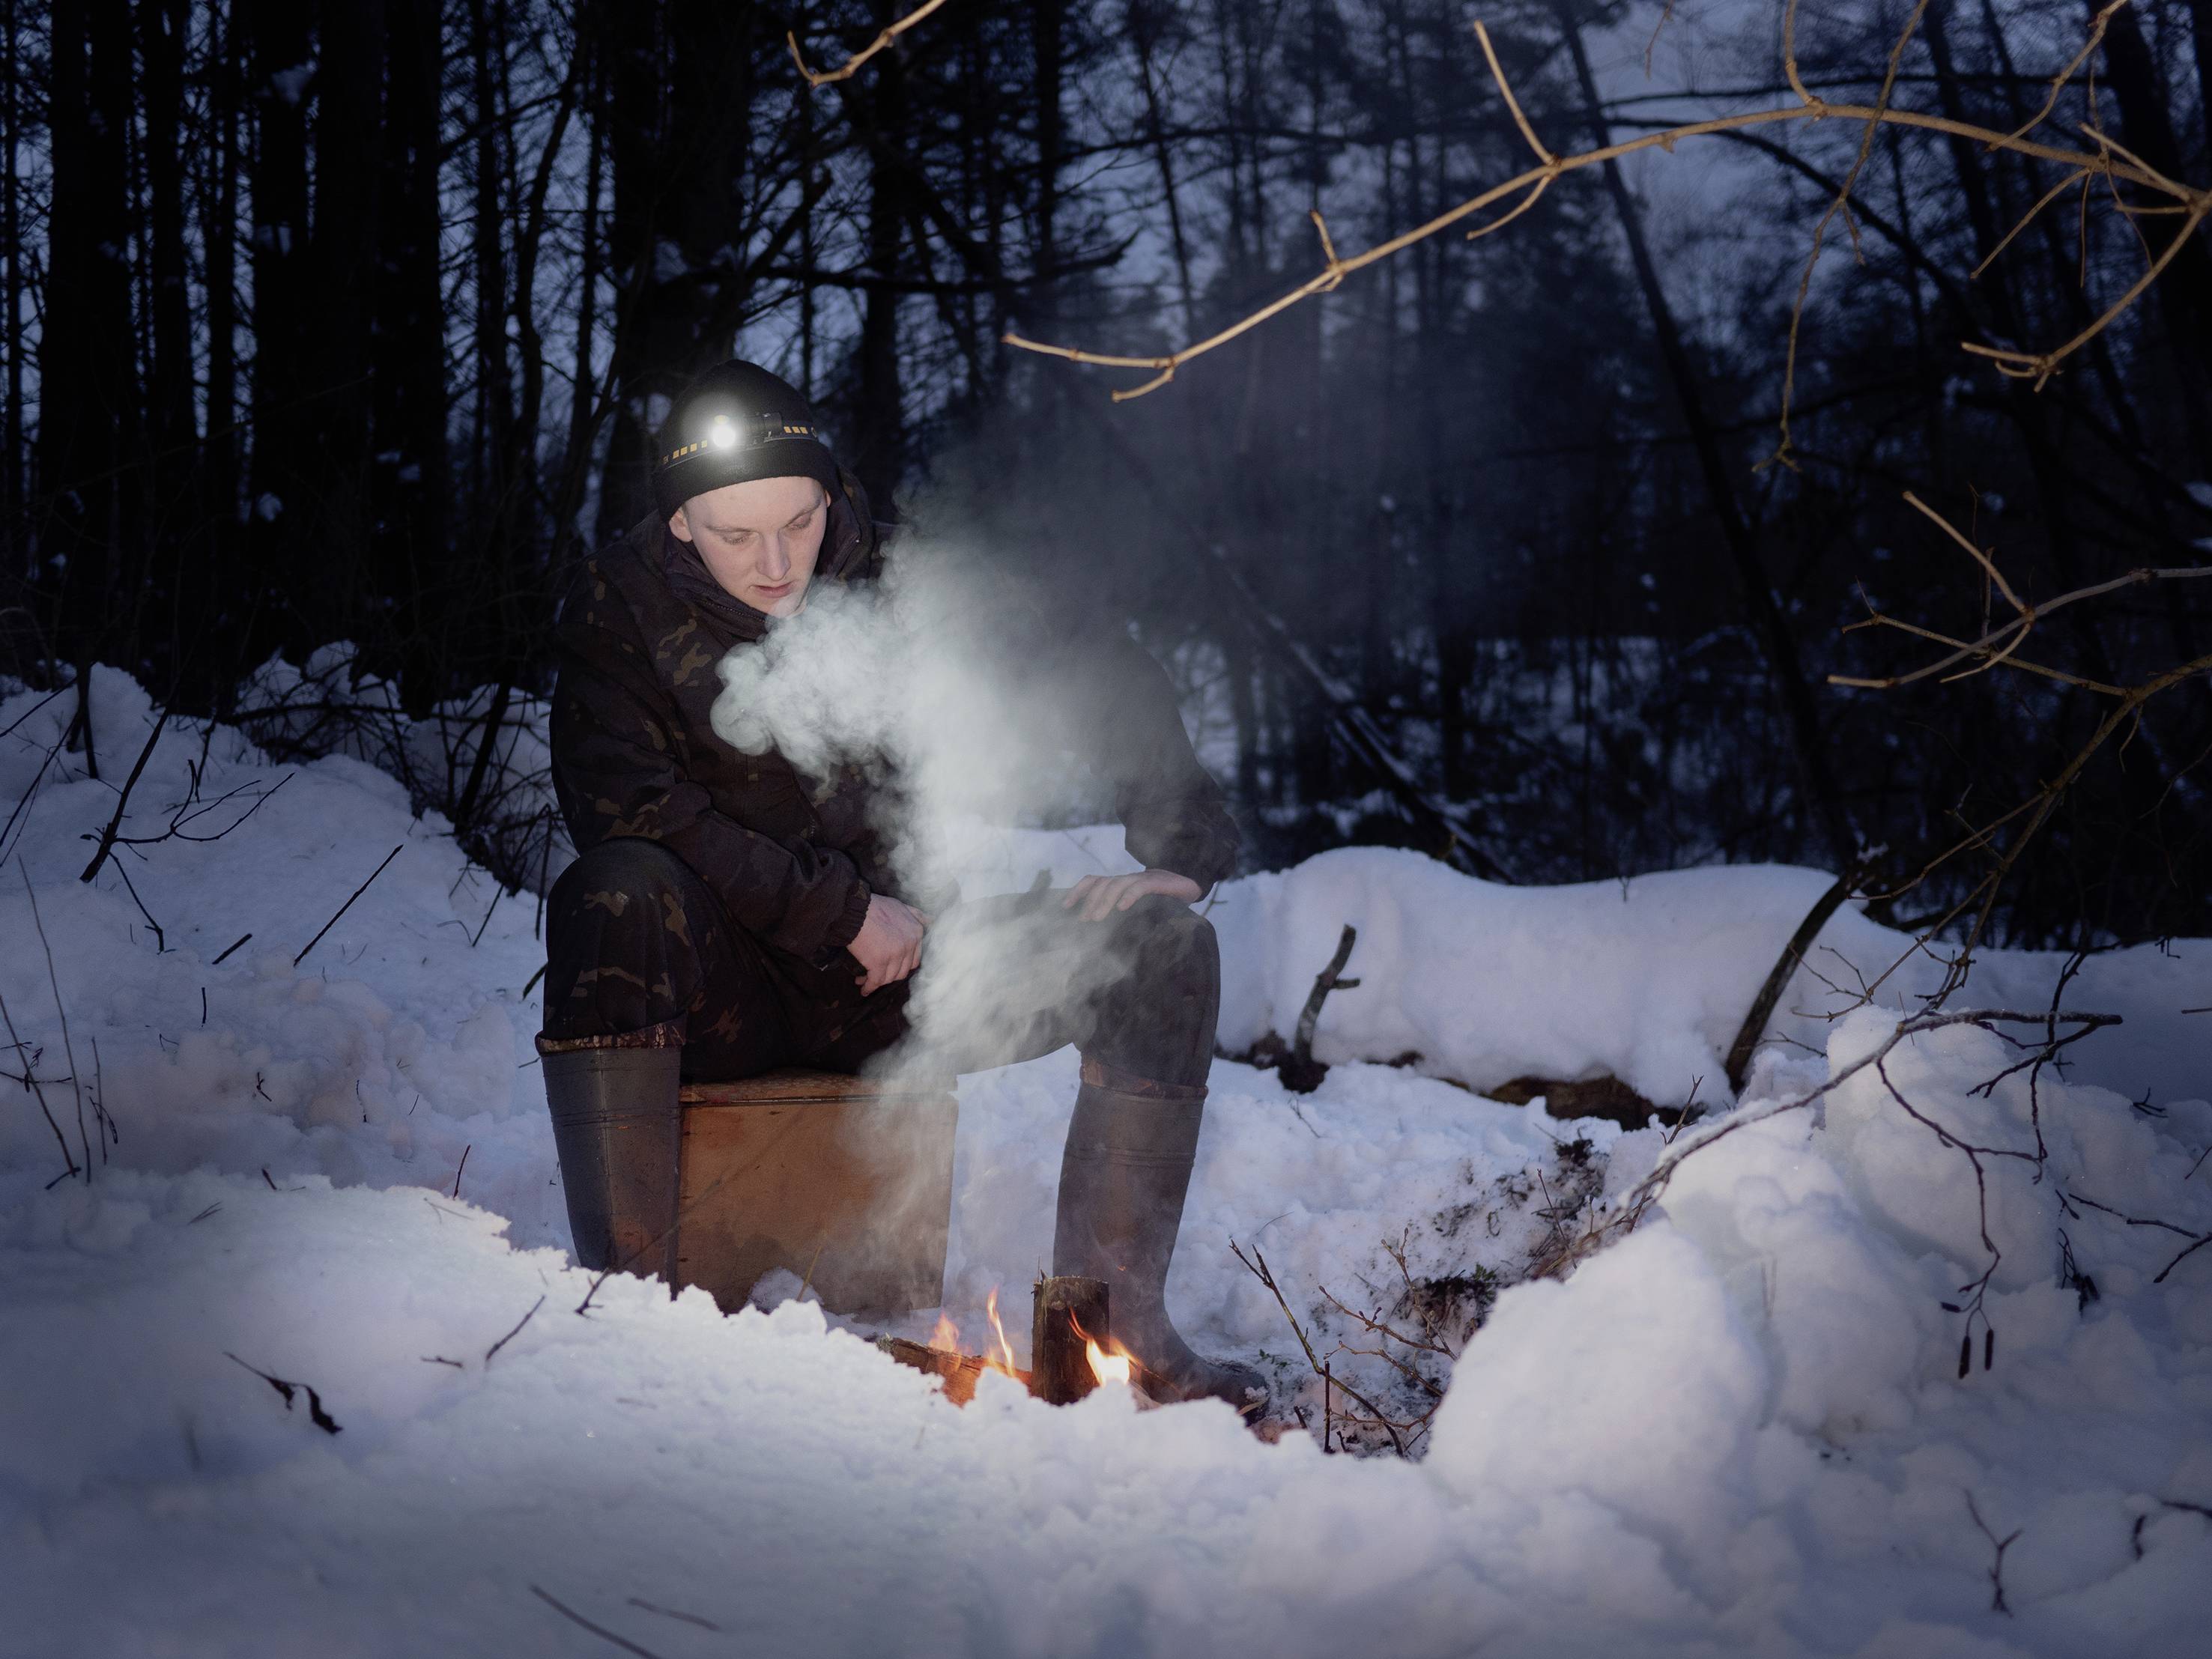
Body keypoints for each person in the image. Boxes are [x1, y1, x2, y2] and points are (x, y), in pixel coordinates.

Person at [537, 359, 1263, 1413]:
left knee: (1161, 951)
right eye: (737, 535)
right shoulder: (618, 611)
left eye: (799, 520)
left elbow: (1094, 668)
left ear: (830, 498)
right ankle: (627, 1322)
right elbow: (628, 810)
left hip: (911, 983)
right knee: (612, 888)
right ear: (681, 524)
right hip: (719, 990)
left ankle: (1117, 1336)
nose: (779, 561)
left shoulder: (896, 574)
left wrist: (1182, 848)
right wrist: (837, 912)